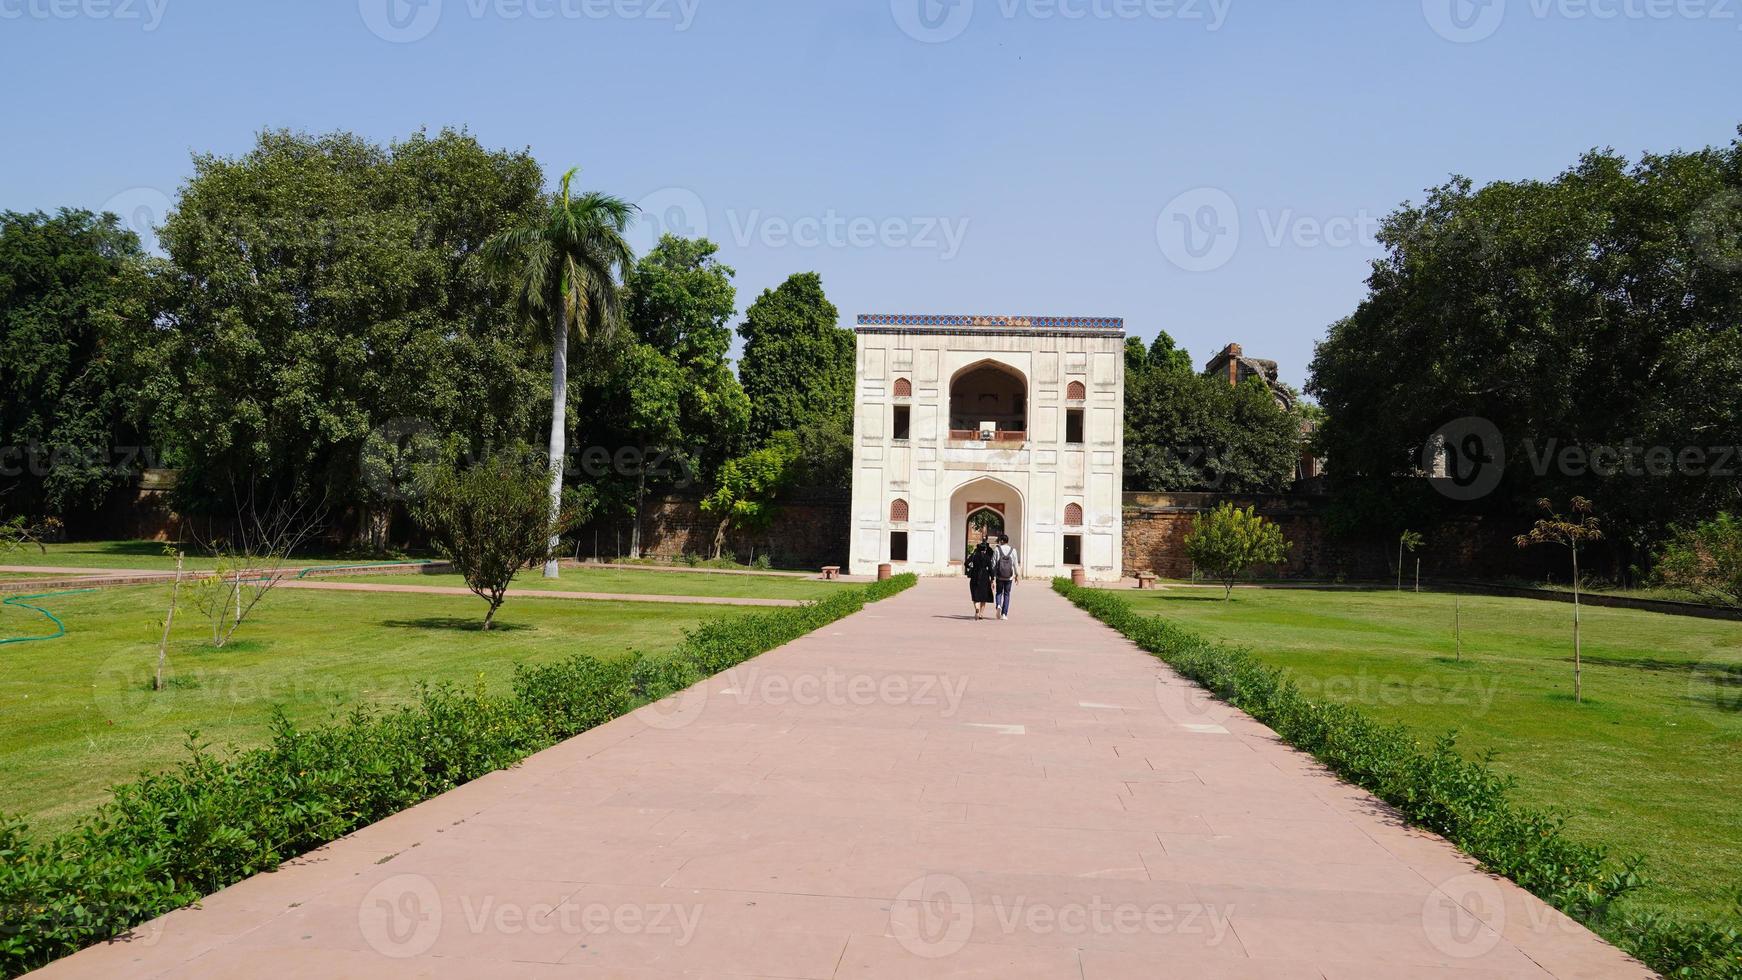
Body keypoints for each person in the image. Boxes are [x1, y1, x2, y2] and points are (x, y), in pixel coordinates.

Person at [965, 539, 996, 620]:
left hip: (975, 575)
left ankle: (976, 609)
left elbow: (966, 563)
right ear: (985, 550)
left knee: (975, 594)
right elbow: (990, 569)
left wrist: (971, 568)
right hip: (985, 577)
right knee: (984, 595)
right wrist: (992, 579)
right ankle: (981, 614)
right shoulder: (987, 557)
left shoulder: (974, 555)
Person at [993, 534, 1020, 620]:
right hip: (1009, 577)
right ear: (1007, 541)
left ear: (1001, 541)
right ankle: (1004, 614)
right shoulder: (1013, 550)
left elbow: (993, 563)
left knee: (999, 592)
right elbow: (1015, 563)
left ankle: (998, 605)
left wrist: (992, 576)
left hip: (999, 576)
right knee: (1007, 594)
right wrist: (1017, 575)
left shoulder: (997, 549)